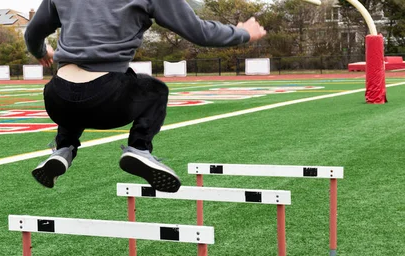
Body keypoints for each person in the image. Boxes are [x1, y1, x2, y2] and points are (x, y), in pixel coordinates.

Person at [25, 0, 266, 193]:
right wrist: (242, 33)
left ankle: (63, 149)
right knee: (156, 91)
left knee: (75, 96)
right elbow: (200, 32)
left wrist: (40, 50)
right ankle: (139, 148)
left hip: (56, 97)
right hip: (108, 99)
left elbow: (32, 32)